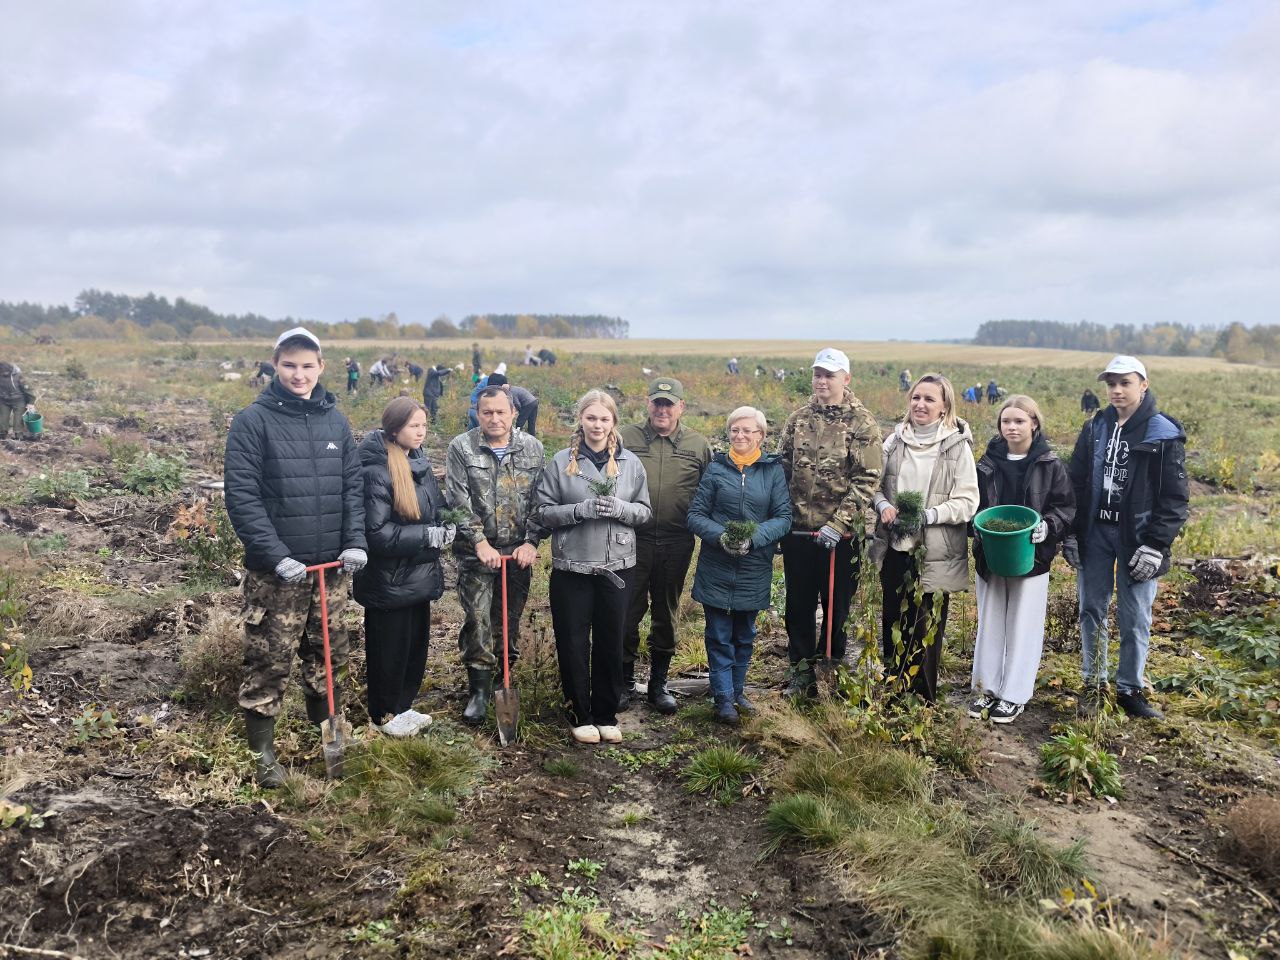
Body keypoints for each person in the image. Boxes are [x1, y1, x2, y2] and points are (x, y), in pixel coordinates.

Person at [224, 327, 367, 787]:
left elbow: (352, 488)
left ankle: (327, 738)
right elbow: (242, 497)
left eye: (307, 366)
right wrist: (275, 554)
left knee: (329, 656)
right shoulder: (253, 422)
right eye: (289, 365)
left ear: (321, 367)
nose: (298, 374)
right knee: (270, 660)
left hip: (331, 572)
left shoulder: (336, 422)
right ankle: (262, 754)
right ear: (275, 366)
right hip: (280, 575)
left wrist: (355, 541)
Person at [1066, 356, 1188, 719]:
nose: (1117, 391)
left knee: (1134, 614)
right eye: (1112, 384)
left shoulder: (1162, 432)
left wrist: (1156, 545)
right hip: (1096, 532)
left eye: (1126, 383)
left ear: (1144, 385)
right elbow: (1076, 481)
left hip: (1137, 536)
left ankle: (1130, 689)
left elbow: (1174, 497)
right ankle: (1094, 683)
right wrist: (1072, 533)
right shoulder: (1095, 427)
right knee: (1091, 608)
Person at [534, 390, 652, 745]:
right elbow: (542, 512)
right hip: (572, 568)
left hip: (617, 567)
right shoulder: (560, 463)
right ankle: (579, 714)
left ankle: (605, 713)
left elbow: (644, 512)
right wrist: (578, 511)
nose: (597, 425)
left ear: (613, 422)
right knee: (572, 642)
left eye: (604, 419)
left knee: (610, 640)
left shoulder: (630, 463)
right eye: (591, 418)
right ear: (580, 420)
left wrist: (620, 508)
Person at [779, 348, 882, 695]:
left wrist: (838, 525)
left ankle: (831, 670)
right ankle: (801, 673)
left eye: (830, 375)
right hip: (798, 532)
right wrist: (781, 517)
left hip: (841, 536)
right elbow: (783, 468)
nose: (822, 381)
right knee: (798, 605)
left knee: (836, 608)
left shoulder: (862, 423)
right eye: (818, 374)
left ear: (846, 379)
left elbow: (867, 478)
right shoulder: (798, 419)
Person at [871, 374, 978, 704]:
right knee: (892, 620)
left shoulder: (956, 447)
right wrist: (884, 504)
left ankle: (921, 700)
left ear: (944, 406)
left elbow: (968, 502)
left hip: (934, 552)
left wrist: (928, 516)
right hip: (895, 547)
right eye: (916, 397)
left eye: (930, 399)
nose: (920, 404)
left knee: (924, 628)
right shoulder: (894, 442)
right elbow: (873, 485)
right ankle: (894, 689)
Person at [445, 384, 547, 726]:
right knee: (478, 618)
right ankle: (478, 689)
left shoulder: (532, 448)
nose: (494, 418)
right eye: (486, 412)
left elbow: (541, 501)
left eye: (501, 412)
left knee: (509, 620)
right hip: (478, 554)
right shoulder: (461, 448)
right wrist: (479, 543)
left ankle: (505, 678)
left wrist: (532, 541)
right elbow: (458, 503)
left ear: (514, 413)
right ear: (477, 413)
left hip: (518, 554)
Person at [970, 395, 1074, 723]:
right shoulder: (987, 463)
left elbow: (1066, 507)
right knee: (990, 620)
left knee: (1023, 624)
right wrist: (978, 526)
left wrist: (1048, 527)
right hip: (992, 552)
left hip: (1033, 557)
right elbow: (973, 502)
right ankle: (985, 688)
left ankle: (1013, 694)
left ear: (1034, 424)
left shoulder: (1050, 464)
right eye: (1006, 421)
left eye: (1019, 421)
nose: (1012, 427)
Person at [355, 397, 454, 736]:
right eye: (414, 426)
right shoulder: (376, 471)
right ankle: (384, 714)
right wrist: (427, 535)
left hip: (419, 576)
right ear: (394, 428)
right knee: (389, 651)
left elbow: (437, 508)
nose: (421, 432)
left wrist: (447, 525)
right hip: (389, 580)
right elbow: (377, 534)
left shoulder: (419, 464)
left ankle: (404, 707)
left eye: (424, 425)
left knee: (414, 647)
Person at [687, 407, 791, 725]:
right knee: (718, 634)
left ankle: (737, 690)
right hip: (717, 566)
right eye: (735, 430)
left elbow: (783, 517)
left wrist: (754, 538)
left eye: (748, 430)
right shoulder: (716, 469)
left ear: (761, 435)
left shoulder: (772, 471)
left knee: (745, 634)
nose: (741, 435)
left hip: (753, 567)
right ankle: (723, 699)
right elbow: (695, 515)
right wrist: (722, 538)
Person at [619, 378, 712, 712]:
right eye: (657, 403)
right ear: (648, 404)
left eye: (669, 404)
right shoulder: (625, 438)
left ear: (681, 407)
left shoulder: (697, 445)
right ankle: (625, 681)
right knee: (626, 611)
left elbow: (710, 490)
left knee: (666, 612)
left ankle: (659, 684)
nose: (662, 409)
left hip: (676, 542)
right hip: (632, 539)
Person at [0, 360, 36, 439]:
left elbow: (27, 389)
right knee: (2, 419)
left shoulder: (18, 376)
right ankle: (2, 435)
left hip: (19, 400)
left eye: (4, 372)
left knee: (18, 420)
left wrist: (31, 402)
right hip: (3, 400)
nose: (3, 374)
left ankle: (18, 436)